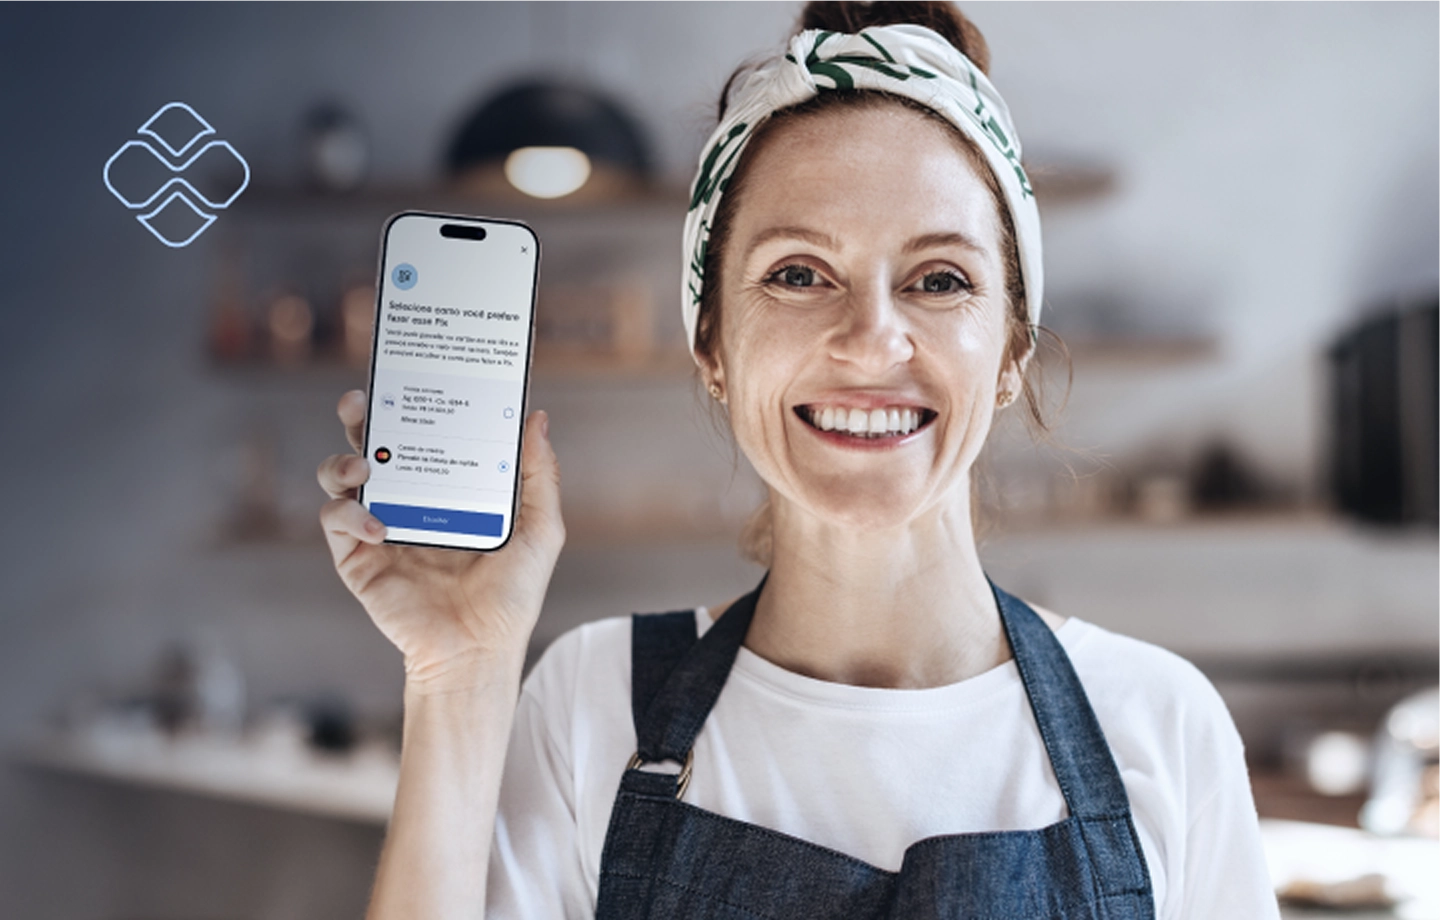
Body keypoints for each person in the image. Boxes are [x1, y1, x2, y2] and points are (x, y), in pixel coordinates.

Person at [317, 1, 1282, 917]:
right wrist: (460, 669)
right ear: (714, 351)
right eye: (797, 274)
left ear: (1010, 354)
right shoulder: (592, 700)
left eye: (940, 279)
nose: (871, 340)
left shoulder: (1159, 727)